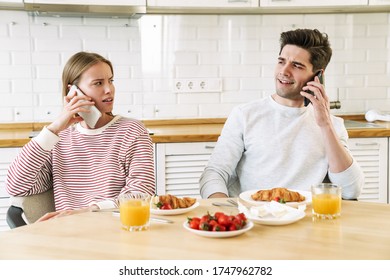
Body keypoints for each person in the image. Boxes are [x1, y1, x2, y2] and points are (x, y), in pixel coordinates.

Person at [200, 29, 364, 200]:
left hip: (307, 220)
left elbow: (351, 191)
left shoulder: (332, 125)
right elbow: (214, 173)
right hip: (254, 218)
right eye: (281, 61)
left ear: (317, 76)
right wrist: (227, 213)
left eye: (297, 65)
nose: (284, 71)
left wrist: (325, 125)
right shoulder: (244, 115)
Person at [6, 51, 155, 221]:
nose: (109, 89)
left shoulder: (132, 131)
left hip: (119, 228)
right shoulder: (58, 139)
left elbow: (142, 192)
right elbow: (17, 187)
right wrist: (54, 128)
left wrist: (89, 210)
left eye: (110, 81)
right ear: (74, 91)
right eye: (98, 83)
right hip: (71, 235)